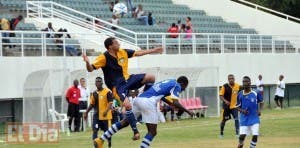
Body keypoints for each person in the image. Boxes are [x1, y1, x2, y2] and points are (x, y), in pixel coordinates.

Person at [83, 37, 163, 141]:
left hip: (128, 79)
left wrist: (154, 50)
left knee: (151, 77)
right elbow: (90, 69)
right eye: (116, 43)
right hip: (117, 86)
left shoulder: (123, 52)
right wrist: (87, 62)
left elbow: (139, 53)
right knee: (127, 106)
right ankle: (135, 131)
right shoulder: (103, 57)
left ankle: (145, 97)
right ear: (110, 46)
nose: (119, 44)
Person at [94, 76, 194, 148]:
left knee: (125, 122)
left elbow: (161, 95)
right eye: (184, 88)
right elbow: (176, 102)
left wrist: (170, 103)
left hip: (139, 99)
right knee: (152, 132)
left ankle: (101, 139)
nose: (183, 90)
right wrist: (188, 111)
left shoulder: (169, 82)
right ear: (183, 84)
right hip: (148, 102)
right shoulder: (177, 85)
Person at [84, 77, 113, 148]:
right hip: (96, 116)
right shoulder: (94, 93)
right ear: (95, 83)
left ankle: (109, 144)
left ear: (102, 83)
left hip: (105, 116)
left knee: (107, 132)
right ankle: (96, 146)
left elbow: (110, 103)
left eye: (99, 81)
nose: (98, 83)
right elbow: (91, 104)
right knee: (95, 130)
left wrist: (106, 111)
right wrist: (86, 112)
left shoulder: (107, 92)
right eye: (96, 81)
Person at [236, 76, 264, 148]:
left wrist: (259, 110)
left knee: (255, 135)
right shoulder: (240, 94)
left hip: (254, 118)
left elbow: (261, 102)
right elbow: (237, 107)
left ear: (250, 83)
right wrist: (242, 110)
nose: (244, 83)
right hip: (244, 119)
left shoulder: (256, 92)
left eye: (246, 81)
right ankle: (241, 144)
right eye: (243, 82)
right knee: (242, 137)